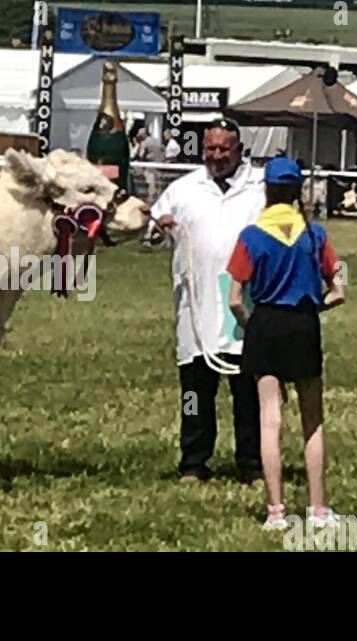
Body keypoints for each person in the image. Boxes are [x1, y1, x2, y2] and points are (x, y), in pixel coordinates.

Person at [226, 156, 346, 530]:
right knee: (313, 420)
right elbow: (339, 287)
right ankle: (318, 509)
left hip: (264, 324)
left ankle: (276, 511)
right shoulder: (316, 235)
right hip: (303, 324)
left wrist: (251, 324)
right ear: (298, 193)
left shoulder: (250, 236)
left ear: (266, 190)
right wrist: (314, 307)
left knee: (269, 421)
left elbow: (234, 297)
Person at [150, 118, 264, 484]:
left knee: (247, 389)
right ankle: (193, 461)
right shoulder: (183, 190)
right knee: (195, 391)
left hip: (240, 302)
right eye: (210, 149)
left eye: (223, 150)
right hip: (195, 302)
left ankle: (252, 463)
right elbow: (151, 233)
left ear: (239, 151)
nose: (216, 157)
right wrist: (160, 227)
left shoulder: (260, 189)